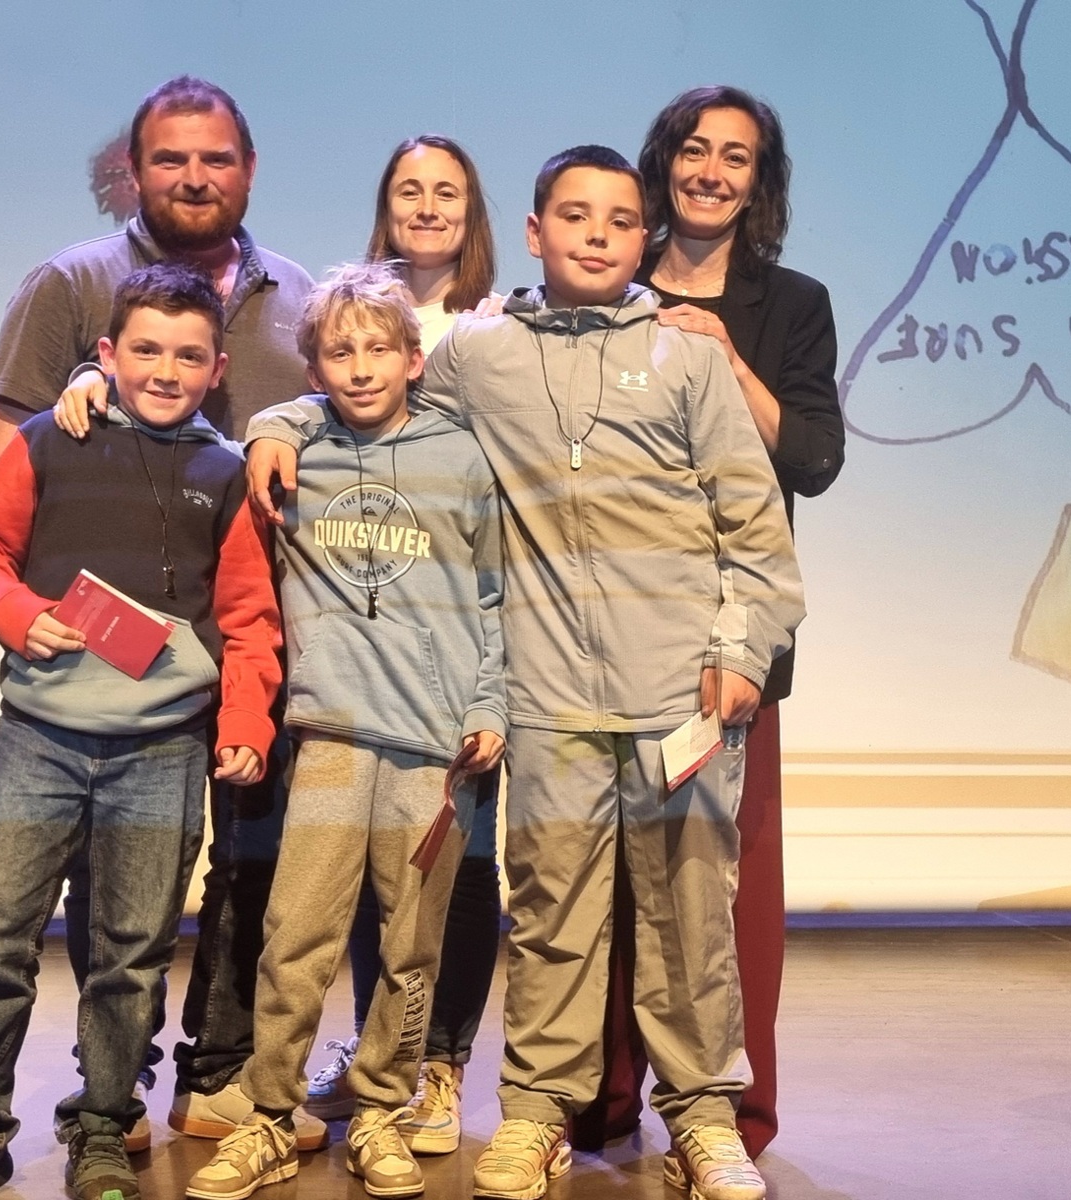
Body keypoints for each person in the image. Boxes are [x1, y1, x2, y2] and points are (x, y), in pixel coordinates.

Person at [245, 146, 805, 1200]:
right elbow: (374, 403)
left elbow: (754, 523)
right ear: (537, 232)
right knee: (551, 915)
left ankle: (700, 1118)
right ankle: (540, 1111)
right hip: (548, 700)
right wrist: (277, 423)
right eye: (575, 216)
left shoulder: (684, 355)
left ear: (643, 237)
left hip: (678, 694)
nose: (598, 234)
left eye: (621, 220)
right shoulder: (479, 351)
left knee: (689, 918)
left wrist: (739, 651)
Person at [0, 75, 325, 1153]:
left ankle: (215, 1075)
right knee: (113, 880)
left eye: (215, 157)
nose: (193, 176)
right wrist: (14, 606)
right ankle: (112, 1087)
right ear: (132, 171)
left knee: (249, 860)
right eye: (170, 158)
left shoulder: (299, 294)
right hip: (108, 657)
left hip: (261, 631)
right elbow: (7, 452)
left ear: (249, 169)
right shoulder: (73, 282)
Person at [0, 263, 282, 1200]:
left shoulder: (225, 472)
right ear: (107, 353)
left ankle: (104, 1127)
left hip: (163, 751)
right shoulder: (49, 439)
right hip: (41, 739)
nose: (165, 370)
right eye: (145, 349)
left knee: (130, 955)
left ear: (218, 368)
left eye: (187, 355)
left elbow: (248, 617)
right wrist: (15, 612)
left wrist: (244, 720)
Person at [185, 263, 505, 1200]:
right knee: (298, 933)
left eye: (378, 349)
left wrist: (488, 705)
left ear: (414, 358)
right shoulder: (296, 445)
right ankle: (271, 1118)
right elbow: (257, 425)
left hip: (434, 749)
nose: (361, 368)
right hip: (330, 736)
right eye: (339, 352)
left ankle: (379, 1112)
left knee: (410, 947)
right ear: (314, 366)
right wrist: (273, 425)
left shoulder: (463, 458)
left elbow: (496, 596)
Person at [574, 86, 845, 1164]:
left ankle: (729, 1113)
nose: (711, 171)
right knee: (600, 883)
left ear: (757, 181)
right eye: (695, 149)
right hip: (602, 633)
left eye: (737, 156)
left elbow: (812, 462)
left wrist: (724, 356)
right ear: (664, 161)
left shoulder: (792, 303)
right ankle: (595, 1098)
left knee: (728, 892)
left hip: (730, 645)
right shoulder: (603, 278)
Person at [306, 134, 503, 1156]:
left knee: (457, 868)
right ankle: (376, 1047)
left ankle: (440, 1062)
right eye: (408, 191)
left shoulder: (498, 324)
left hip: (460, 631)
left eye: (447, 193)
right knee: (364, 873)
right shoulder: (356, 315)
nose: (427, 207)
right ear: (384, 207)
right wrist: (273, 426)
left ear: (474, 212)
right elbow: (304, 404)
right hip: (366, 642)